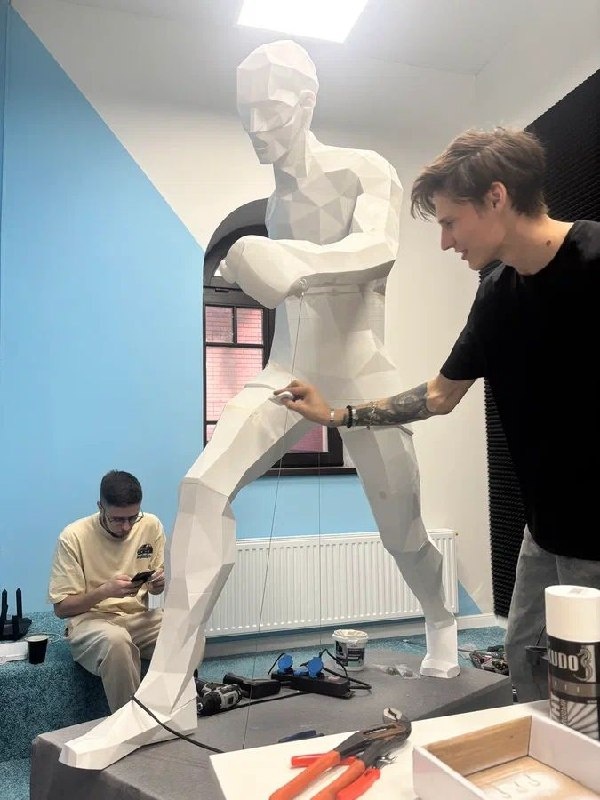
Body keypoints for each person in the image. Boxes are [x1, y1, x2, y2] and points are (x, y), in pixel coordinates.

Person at [60, 39, 457, 770]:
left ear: (307, 102)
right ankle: (166, 696)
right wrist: (268, 260)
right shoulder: (275, 205)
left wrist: (288, 261)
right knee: (202, 486)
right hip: (287, 373)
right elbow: (289, 297)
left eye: (270, 109)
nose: (255, 126)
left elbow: (378, 249)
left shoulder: (364, 169)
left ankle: (441, 618)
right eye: (246, 111)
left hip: (364, 377)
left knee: (403, 536)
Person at [274, 127, 600, 703]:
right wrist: (338, 415)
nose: (446, 242)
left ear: (496, 197)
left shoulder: (595, 257)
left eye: (451, 222)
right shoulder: (496, 293)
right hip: (544, 532)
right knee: (525, 665)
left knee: (587, 692)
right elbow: (439, 395)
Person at [49, 470, 166, 712]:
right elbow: (61, 609)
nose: (126, 527)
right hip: (92, 622)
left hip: (140, 618)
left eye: (133, 517)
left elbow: (155, 594)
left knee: (186, 630)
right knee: (117, 642)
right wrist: (104, 592)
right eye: (117, 519)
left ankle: (178, 709)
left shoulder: (151, 525)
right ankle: (130, 725)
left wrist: (158, 586)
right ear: (100, 507)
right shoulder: (73, 537)